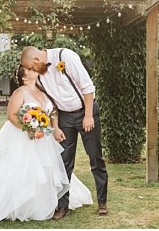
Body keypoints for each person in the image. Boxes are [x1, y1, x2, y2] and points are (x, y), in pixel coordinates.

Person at [0, 65, 92, 228]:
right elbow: (11, 115)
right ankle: (17, 204)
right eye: (30, 70)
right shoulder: (20, 92)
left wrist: (55, 127)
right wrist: (30, 128)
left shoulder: (43, 91)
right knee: (21, 169)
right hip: (22, 137)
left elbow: (53, 110)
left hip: (44, 138)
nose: (35, 71)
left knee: (46, 169)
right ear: (24, 77)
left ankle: (45, 202)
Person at [21, 46, 109, 220]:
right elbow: (50, 102)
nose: (31, 72)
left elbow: (88, 87)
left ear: (37, 60)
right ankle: (62, 206)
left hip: (85, 111)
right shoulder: (39, 78)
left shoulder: (65, 56)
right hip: (64, 118)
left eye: (31, 67)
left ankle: (102, 203)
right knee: (64, 162)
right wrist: (56, 127)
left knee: (95, 158)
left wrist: (89, 115)